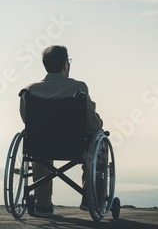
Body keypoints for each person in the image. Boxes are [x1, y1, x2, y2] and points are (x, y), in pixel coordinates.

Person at [19, 45, 103, 217]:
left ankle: (43, 204)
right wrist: (99, 123)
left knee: (38, 145)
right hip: (75, 145)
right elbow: (91, 124)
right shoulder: (78, 88)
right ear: (66, 65)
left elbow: (27, 122)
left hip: (41, 145)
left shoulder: (30, 90)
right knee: (98, 140)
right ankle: (91, 197)